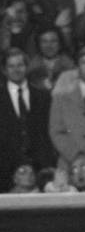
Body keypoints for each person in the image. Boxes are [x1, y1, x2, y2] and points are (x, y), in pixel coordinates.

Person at [0, 47, 56, 192]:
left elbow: (47, 133)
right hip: (5, 171)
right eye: (11, 66)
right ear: (4, 70)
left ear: (26, 67)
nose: (16, 70)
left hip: (40, 170)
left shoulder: (43, 97)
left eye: (20, 65)